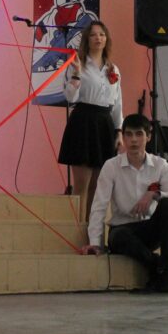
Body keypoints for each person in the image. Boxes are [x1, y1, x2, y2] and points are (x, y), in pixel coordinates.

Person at [82, 114, 168, 293]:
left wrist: (154, 194)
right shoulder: (111, 166)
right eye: (128, 134)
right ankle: (161, 269)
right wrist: (95, 243)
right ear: (123, 137)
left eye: (139, 134)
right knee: (120, 236)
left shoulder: (161, 165)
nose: (134, 140)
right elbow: (99, 206)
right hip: (122, 231)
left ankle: (165, 268)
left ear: (148, 136)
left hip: (149, 229)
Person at [58, 21, 123, 222]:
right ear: (87, 39)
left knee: (97, 185)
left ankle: (92, 230)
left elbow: (117, 103)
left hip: (104, 124)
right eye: (93, 35)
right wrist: (77, 74)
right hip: (83, 122)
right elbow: (70, 97)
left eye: (101, 34)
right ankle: (77, 228)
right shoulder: (78, 64)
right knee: (81, 185)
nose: (98, 38)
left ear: (106, 39)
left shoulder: (113, 69)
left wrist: (119, 131)